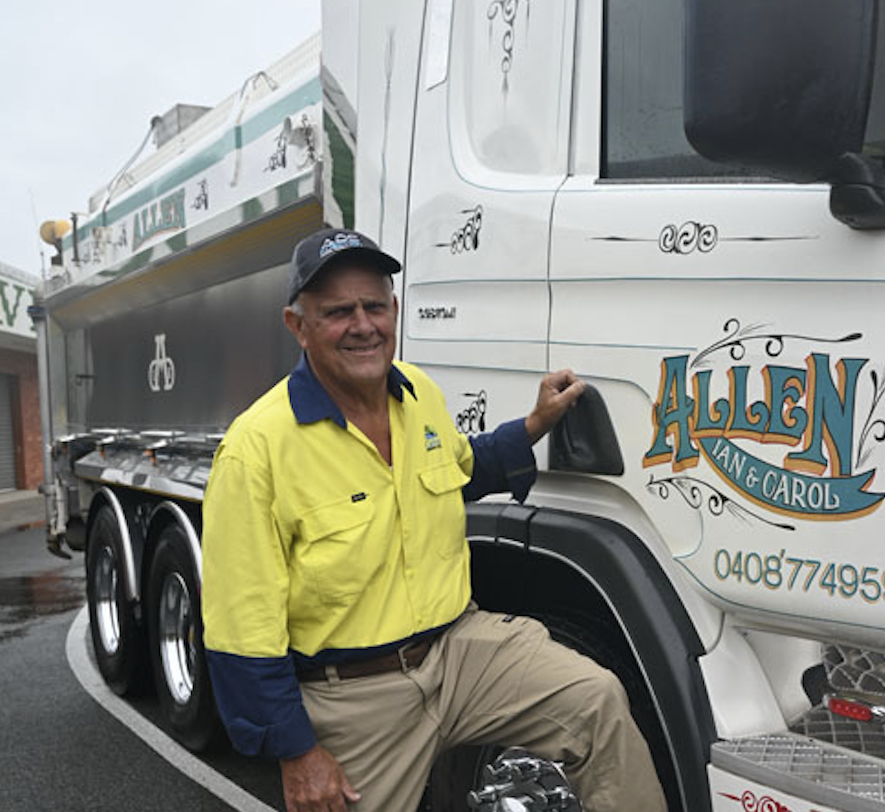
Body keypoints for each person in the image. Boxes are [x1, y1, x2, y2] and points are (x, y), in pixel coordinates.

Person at [201, 227, 665, 812]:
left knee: (596, 699)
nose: (363, 324)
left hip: (459, 652)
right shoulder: (257, 448)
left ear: (395, 311)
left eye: (374, 306)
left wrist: (534, 424)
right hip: (355, 694)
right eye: (339, 312)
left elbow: (459, 469)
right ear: (299, 326)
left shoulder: (417, 392)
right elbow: (241, 633)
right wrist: (297, 753)